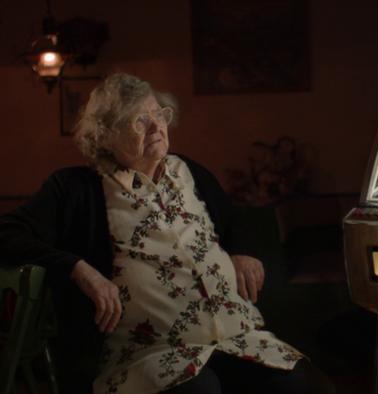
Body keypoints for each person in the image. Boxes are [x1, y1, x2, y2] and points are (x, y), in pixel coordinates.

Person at [0, 73, 336, 394]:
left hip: (235, 338)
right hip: (147, 351)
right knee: (200, 390)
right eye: (138, 120)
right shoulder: (75, 188)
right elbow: (7, 232)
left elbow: (236, 219)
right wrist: (78, 268)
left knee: (307, 385)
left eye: (157, 114)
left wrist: (242, 250)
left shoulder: (189, 171)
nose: (156, 126)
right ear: (105, 136)